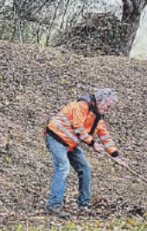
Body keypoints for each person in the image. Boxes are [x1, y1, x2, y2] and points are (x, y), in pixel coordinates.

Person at [43, 89, 126, 218]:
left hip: (71, 143)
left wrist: (115, 155)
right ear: (99, 101)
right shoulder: (81, 106)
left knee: (85, 168)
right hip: (56, 138)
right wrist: (92, 144)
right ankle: (53, 205)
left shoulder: (98, 116)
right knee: (63, 167)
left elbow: (104, 135)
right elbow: (78, 127)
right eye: (108, 106)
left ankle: (83, 205)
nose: (108, 109)